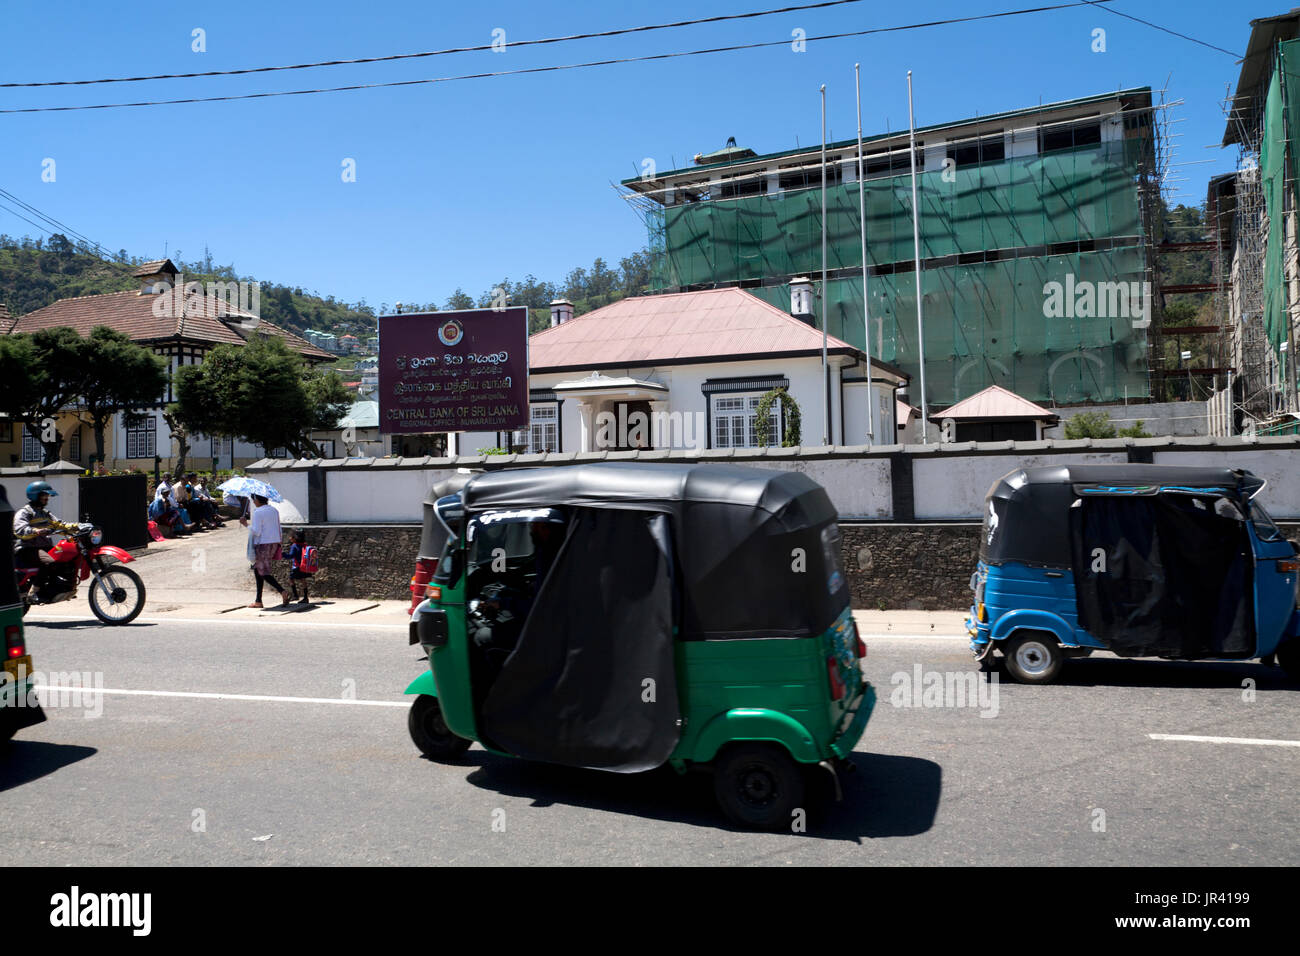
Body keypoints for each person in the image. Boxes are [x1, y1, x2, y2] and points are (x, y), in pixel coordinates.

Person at [13, 481, 69, 599]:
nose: (47, 498)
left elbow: (60, 524)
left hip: (44, 547)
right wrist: (36, 531)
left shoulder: (45, 513)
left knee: (64, 557)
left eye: (48, 496)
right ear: (35, 495)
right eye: (44, 495)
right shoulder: (24, 512)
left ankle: (57, 587)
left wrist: (77, 527)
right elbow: (20, 529)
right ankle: (34, 592)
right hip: (28, 548)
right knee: (49, 562)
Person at [244, 493, 287, 608]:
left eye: (254, 499)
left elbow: (257, 531)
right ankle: (258, 600)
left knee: (262, 571)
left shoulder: (258, 512)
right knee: (258, 570)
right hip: (274, 543)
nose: (253, 502)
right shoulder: (274, 510)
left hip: (263, 544)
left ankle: (282, 591)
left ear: (257, 499)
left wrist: (246, 525)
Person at [285, 529, 316, 604]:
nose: (290, 538)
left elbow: (291, 556)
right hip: (304, 566)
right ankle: (305, 598)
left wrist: (283, 554)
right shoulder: (304, 545)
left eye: (291, 537)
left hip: (297, 567)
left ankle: (295, 595)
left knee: (290, 579)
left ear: (295, 538)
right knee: (303, 580)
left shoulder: (294, 546)